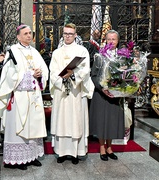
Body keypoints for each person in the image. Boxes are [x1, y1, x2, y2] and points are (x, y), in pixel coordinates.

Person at [0, 24, 49, 170]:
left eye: (29, 33)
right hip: (19, 96)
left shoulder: (35, 51)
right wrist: (30, 74)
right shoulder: (13, 51)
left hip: (34, 96)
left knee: (33, 126)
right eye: (25, 33)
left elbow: (44, 70)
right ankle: (19, 160)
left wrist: (40, 75)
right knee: (20, 125)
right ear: (18, 36)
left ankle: (32, 156)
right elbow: (9, 75)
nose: (28, 36)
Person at [49, 23, 94, 165]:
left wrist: (73, 75)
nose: (67, 36)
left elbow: (86, 70)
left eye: (70, 33)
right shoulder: (57, 52)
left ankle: (76, 153)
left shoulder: (82, 51)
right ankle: (61, 152)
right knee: (61, 121)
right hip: (61, 93)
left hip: (76, 92)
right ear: (62, 34)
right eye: (65, 33)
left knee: (75, 121)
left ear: (75, 35)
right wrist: (62, 78)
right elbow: (53, 71)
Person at [89, 29, 125, 161]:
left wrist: (123, 86)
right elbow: (93, 76)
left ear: (117, 41)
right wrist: (102, 88)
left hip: (116, 95)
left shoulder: (123, 57)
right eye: (109, 39)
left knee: (111, 121)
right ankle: (102, 147)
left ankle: (110, 147)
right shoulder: (99, 56)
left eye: (113, 39)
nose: (111, 41)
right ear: (105, 40)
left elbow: (127, 75)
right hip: (101, 93)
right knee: (101, 121)